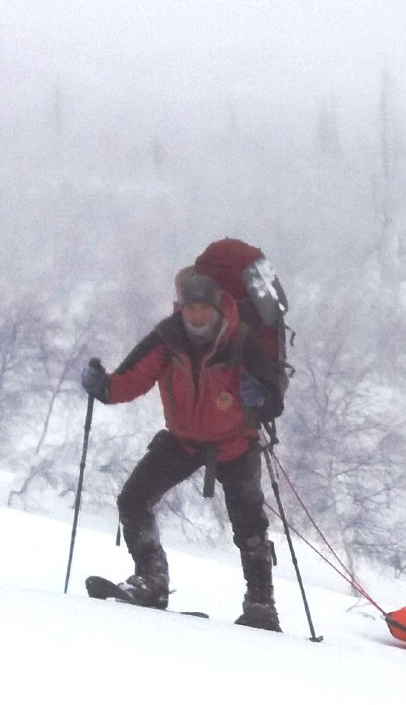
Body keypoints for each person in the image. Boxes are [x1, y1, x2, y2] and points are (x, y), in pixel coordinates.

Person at [81, 267, 286, 629]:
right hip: (184, 440)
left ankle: (261, 605)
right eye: (190, 309)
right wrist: (103, 387)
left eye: (202, 309)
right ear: (180, 308)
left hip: (235, 442)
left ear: (217, 307)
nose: (196, 316)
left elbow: (273, 399)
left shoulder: (240, 340)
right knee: (133, 499)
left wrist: (262, 398)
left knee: (250, 525)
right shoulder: (167, 338)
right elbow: (130, 380)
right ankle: (151, 582)